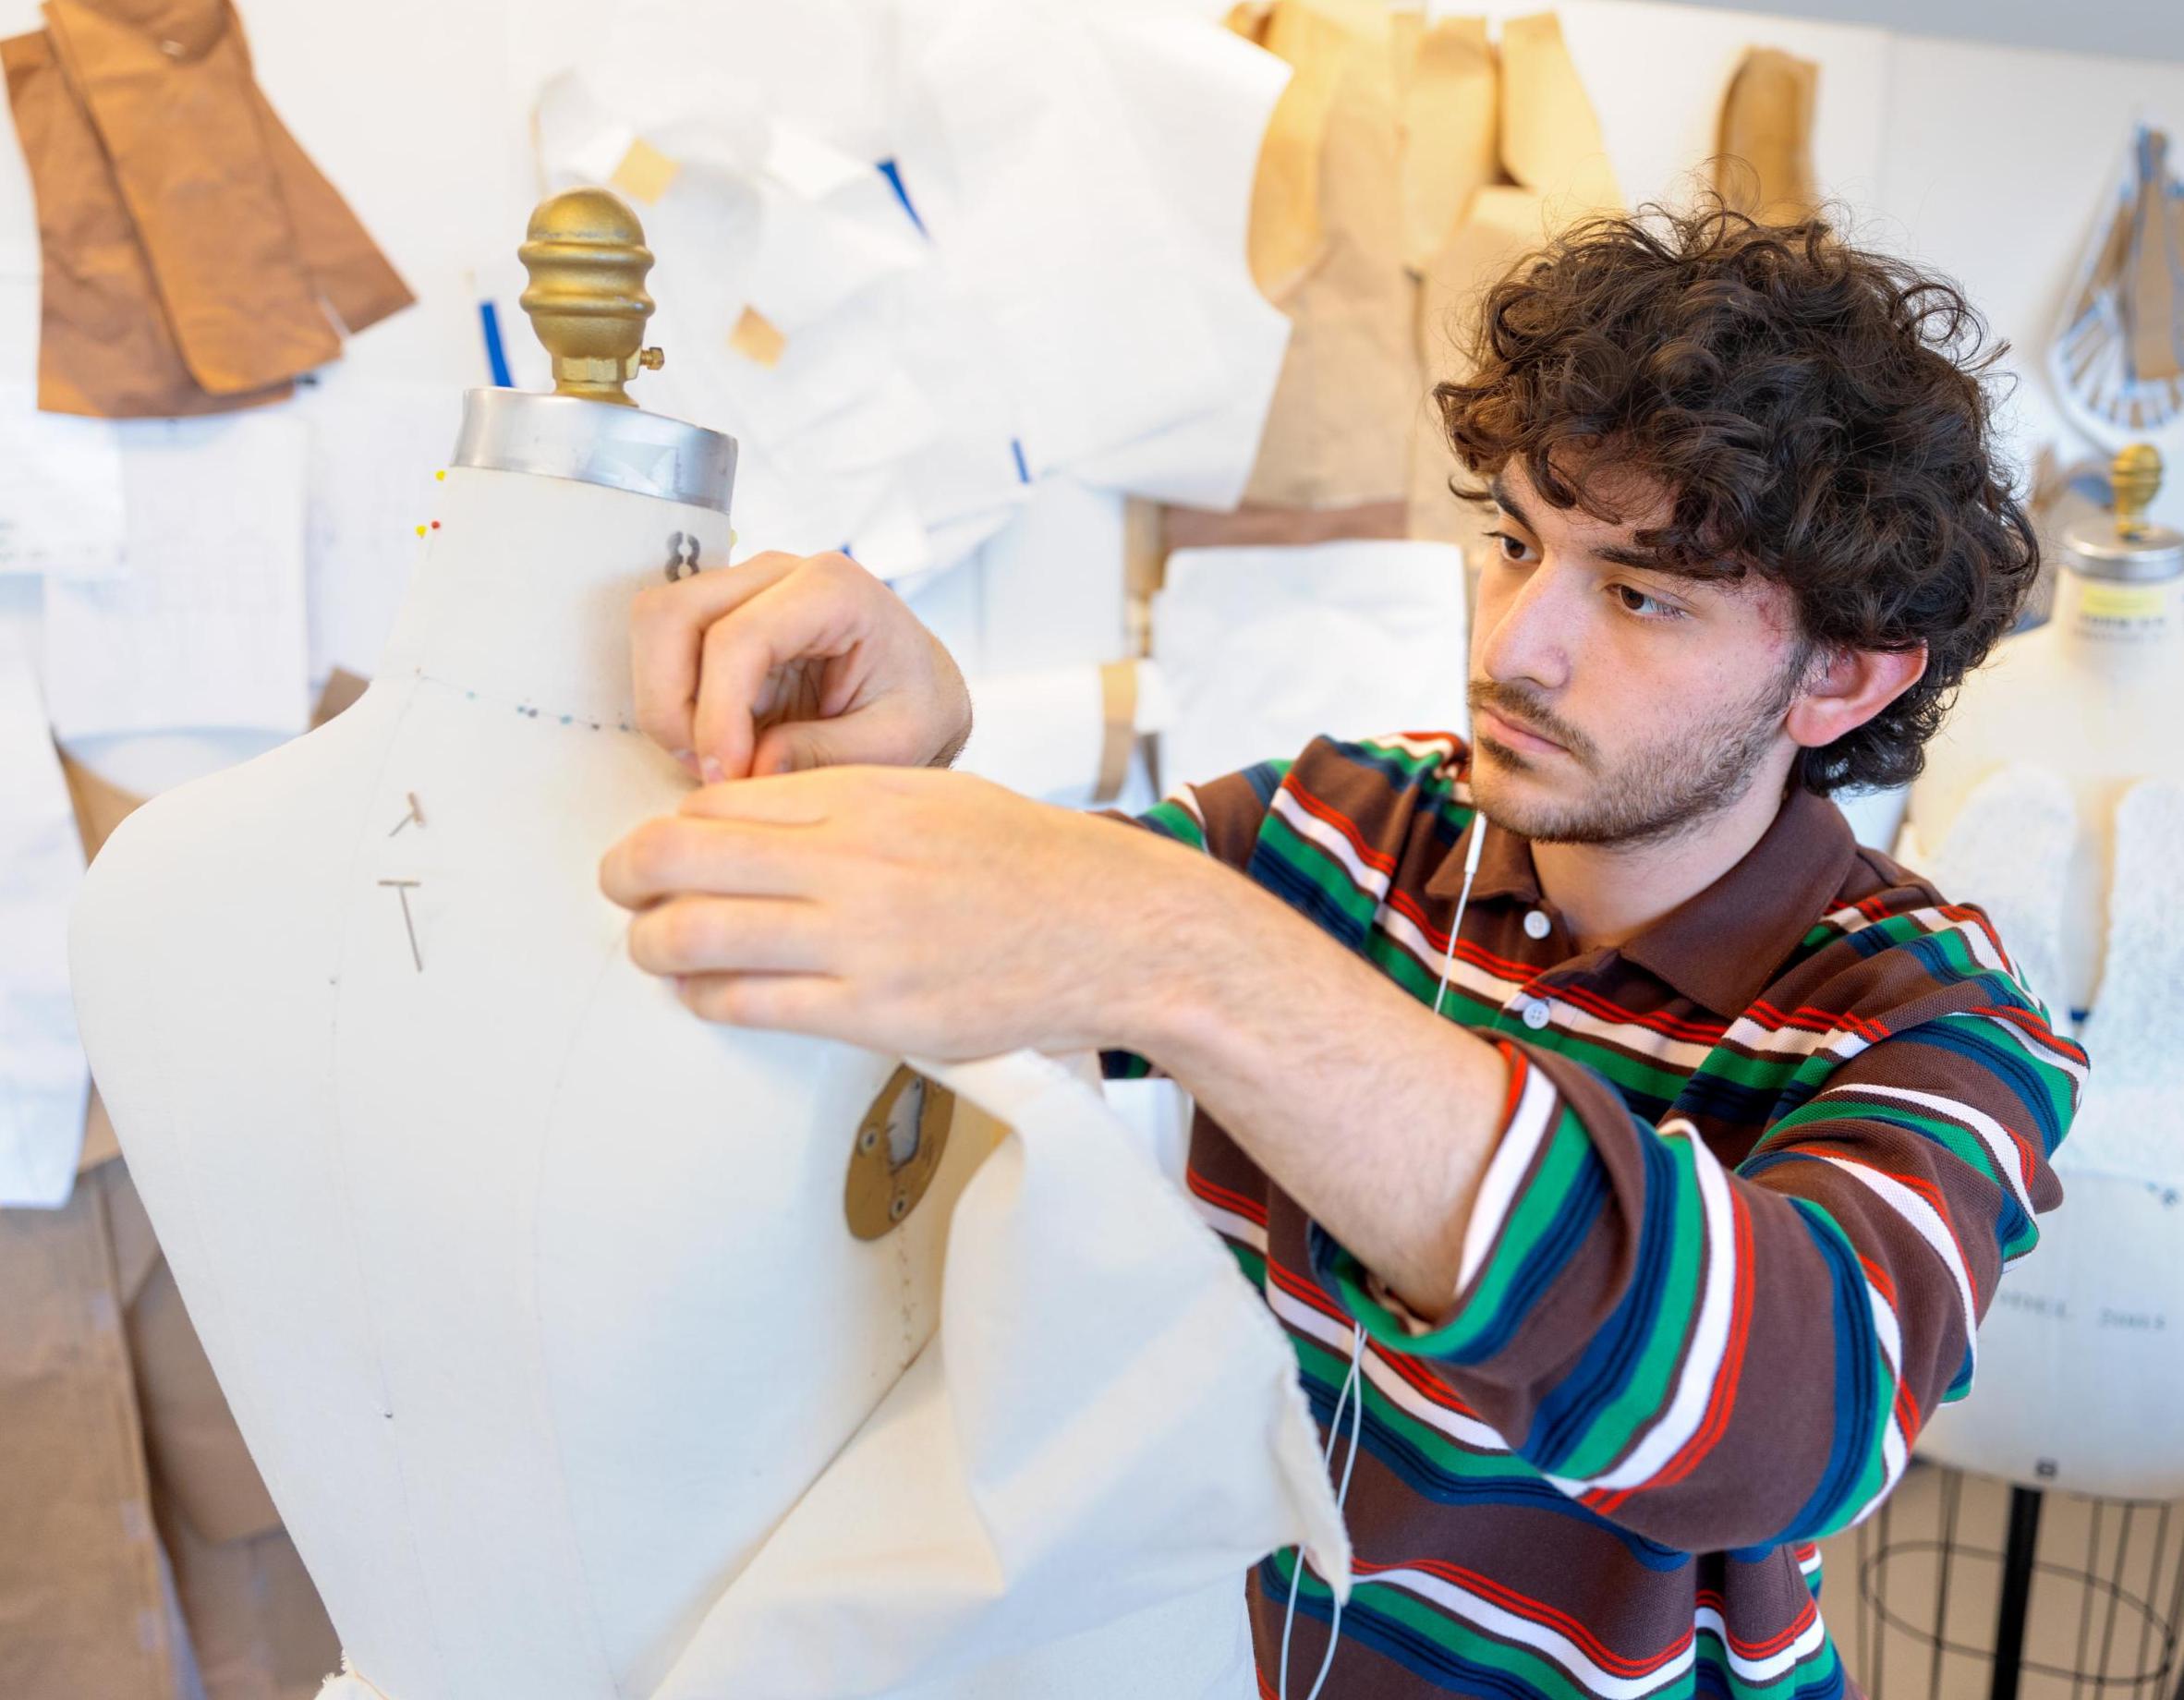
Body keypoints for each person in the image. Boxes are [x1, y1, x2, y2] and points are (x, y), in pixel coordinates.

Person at [595, 204, 2085, 1699]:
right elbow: (1025, 936)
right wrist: (914, 749)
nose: (1513, 647)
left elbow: (1787, 1418)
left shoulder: (1929, 1018)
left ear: (1840, 676)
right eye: (1515, 544)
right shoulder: (1349, 822)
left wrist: (1189, 956)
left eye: (1639, 595)